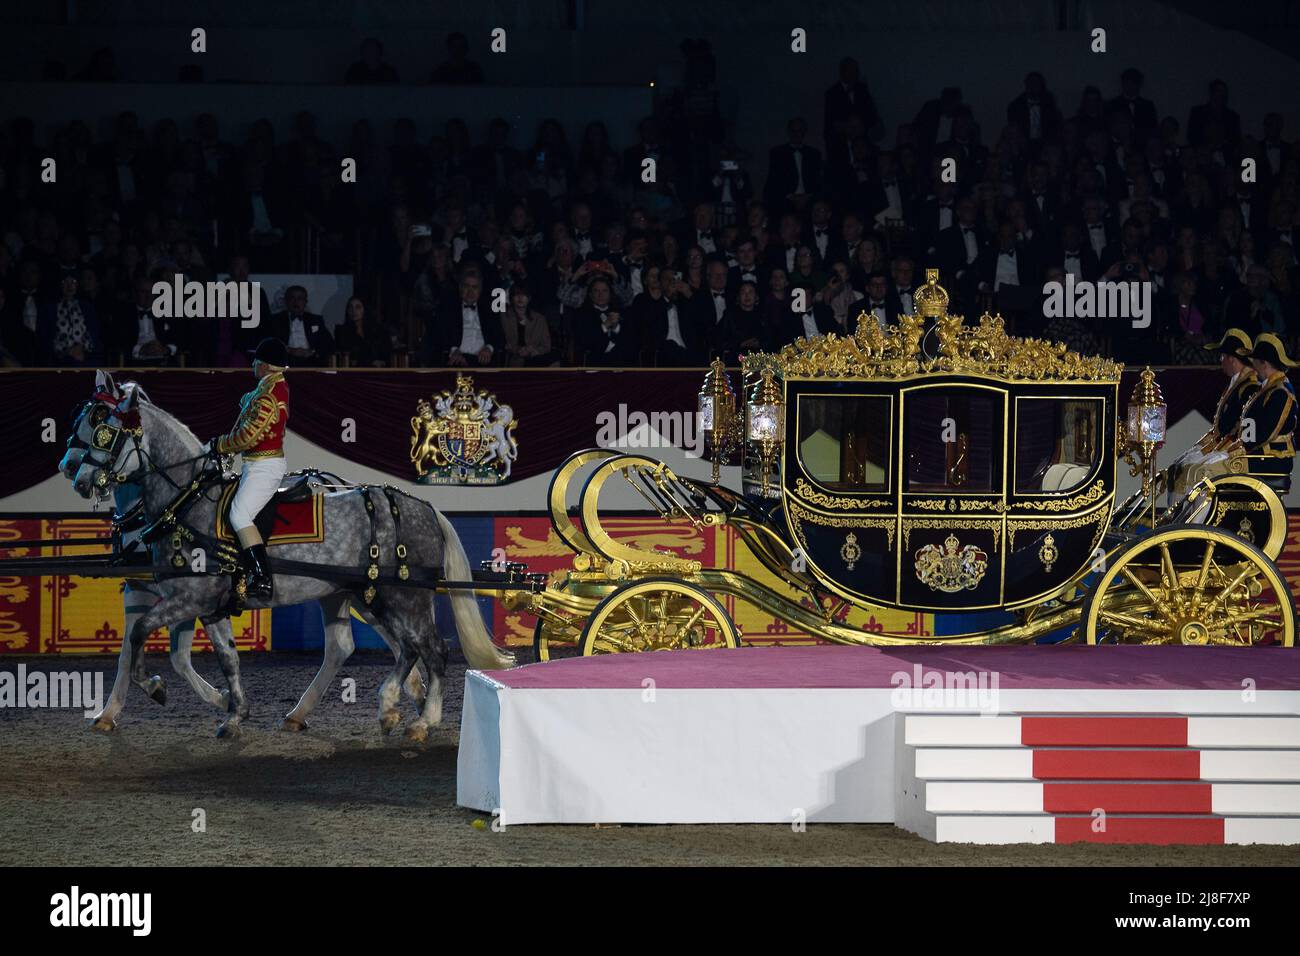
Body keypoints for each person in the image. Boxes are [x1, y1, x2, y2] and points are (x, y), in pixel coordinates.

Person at [207, 337, 290, 601]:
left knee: (240, 514)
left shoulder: (269, 395)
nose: (252, 364)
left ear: (265, 366)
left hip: (264, 466)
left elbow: (247, 438)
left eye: (256, 361)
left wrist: (219, 444)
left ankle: (262, 577)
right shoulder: (267, 389)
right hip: (255, 465)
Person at [1233, 333, 1298, 490]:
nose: (1252, 366)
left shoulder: (1280, 392)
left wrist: (1238, 450)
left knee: (1217, 467)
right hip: (1258, 454)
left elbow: (1266, 432)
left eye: (1254, 361)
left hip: (1271, 458)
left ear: (1264, 363)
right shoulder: (1266, 389)